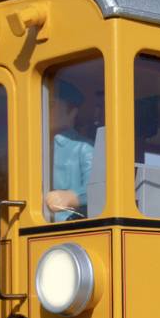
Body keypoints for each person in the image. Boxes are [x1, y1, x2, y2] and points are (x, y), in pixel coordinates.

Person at [43, 79, 95, 221]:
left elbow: (97, 188)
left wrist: (72, 197)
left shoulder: (84, 147)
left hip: (69, 223)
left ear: (72, 112)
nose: (45, 110)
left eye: (52, 105)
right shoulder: (37, 148)